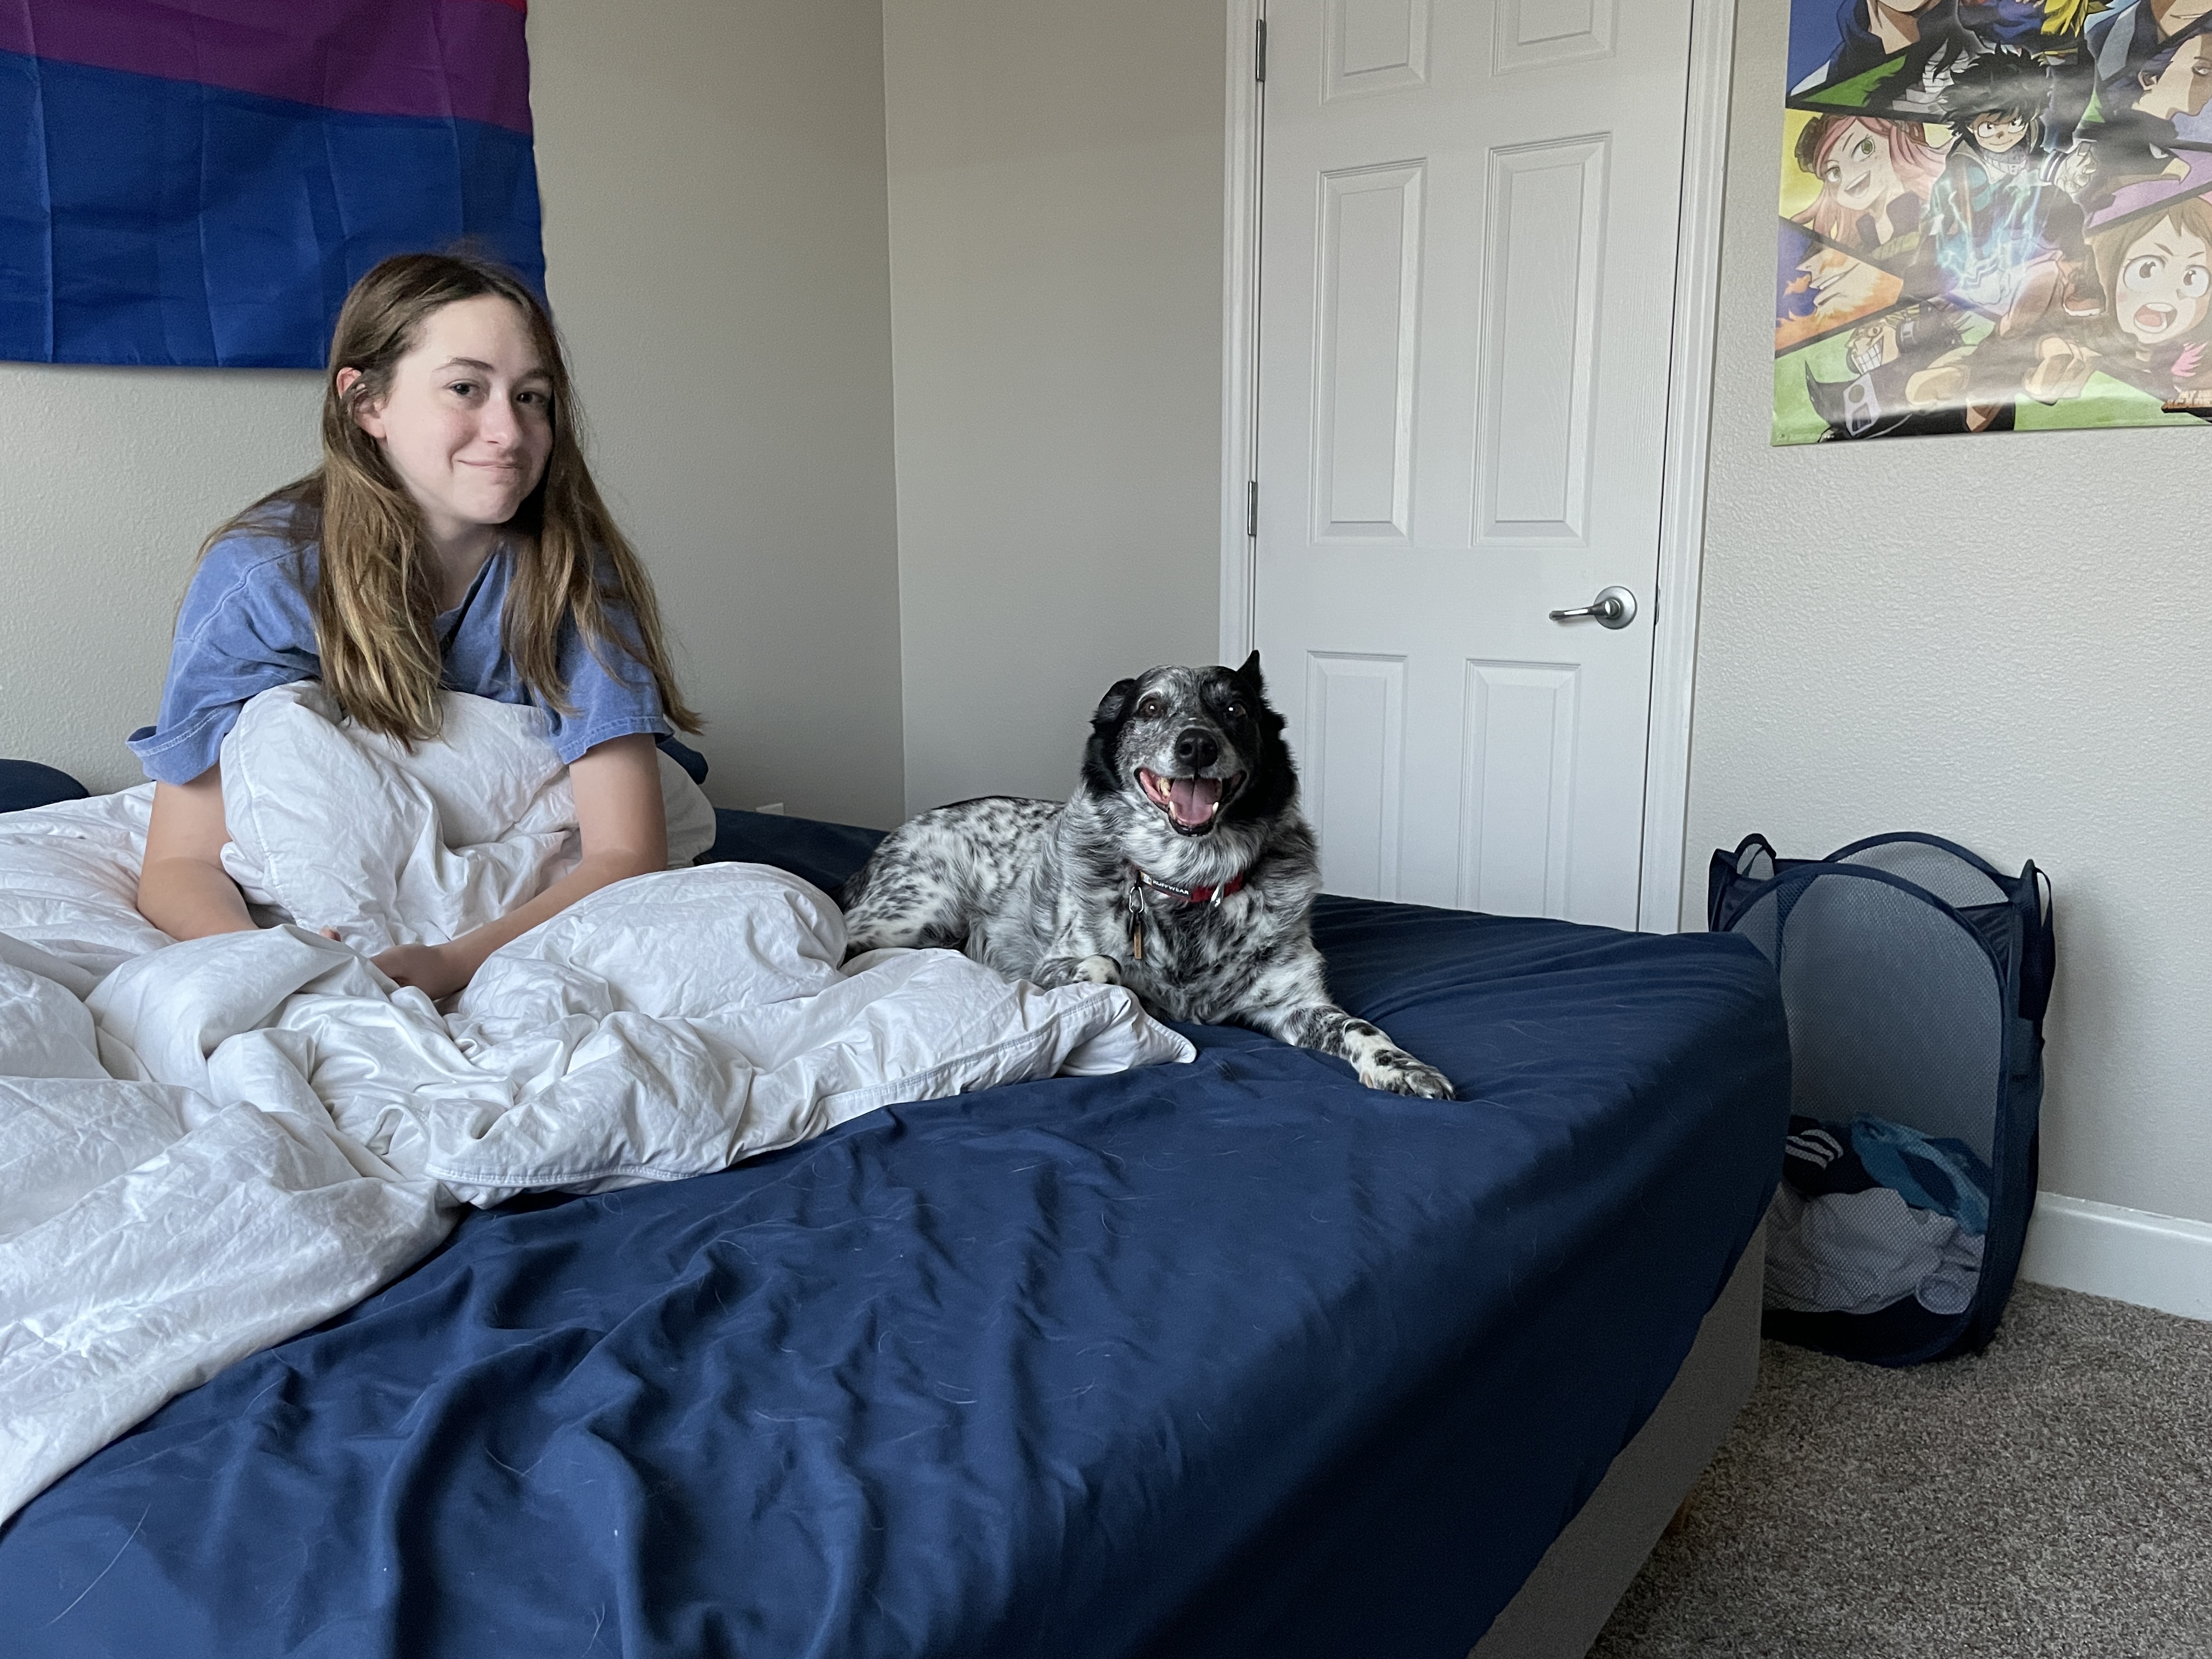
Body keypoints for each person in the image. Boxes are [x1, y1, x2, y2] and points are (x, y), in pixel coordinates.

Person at [130, 251, 703, 1000]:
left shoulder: (569, 574)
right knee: (275, 728)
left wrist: (455, 962)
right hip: (351, 858)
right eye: (466, 388)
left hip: (537, 845)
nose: (508, 430)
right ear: (367, 403)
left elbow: (626, 851)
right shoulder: (265, 578)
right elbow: (178, 864)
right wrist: (275, 965)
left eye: (532, 397)